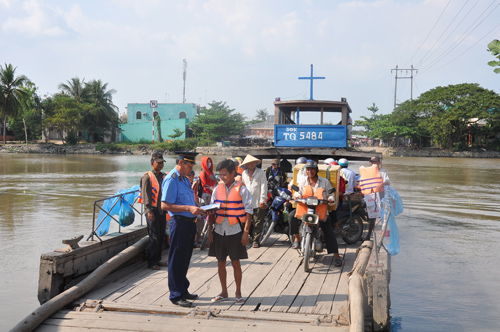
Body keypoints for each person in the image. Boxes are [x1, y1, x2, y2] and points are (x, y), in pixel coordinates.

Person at [161, 151, 207, 308]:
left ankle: (183, 289)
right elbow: (164, 205)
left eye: (192, 166)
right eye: (189, 165)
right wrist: (188, 207)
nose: (190, 169)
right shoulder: (171, 179)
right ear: (180, 162)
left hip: (189, 222)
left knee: (186, 258)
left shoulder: (185, 180)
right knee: (176, 259)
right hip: (179, 223)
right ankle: (175, 294)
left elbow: (188, 201)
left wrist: (198, 208)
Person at [207, 159, 253, 304]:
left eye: (225, 174)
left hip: (235, 230)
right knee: (220, 262)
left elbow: (249, 212)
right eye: (220, 175)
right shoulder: (217, 189)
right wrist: (210, 230)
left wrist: (246, 232)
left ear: (233, 173)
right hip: (219, 230)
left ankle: (238, 292)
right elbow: (212, 212)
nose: (222, 178)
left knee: (235, 262)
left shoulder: (243, 189)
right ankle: (224, 292)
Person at [289, 160, 343, 267]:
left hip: (320, 209)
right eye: (308, 169)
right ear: (306, 171)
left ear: (316, 170)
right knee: (291, 216)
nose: (310, 171)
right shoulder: (303, 181)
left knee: (328, 231)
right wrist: (296, 196)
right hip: (305, 207)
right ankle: (297, 238)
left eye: (312, 169)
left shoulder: (324, 182)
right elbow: (298, 192)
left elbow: (330, 194)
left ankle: (337, 256)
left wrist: (331, 199)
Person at [140, 152, 167, 270]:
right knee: (154, 236)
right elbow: (145, 195)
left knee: (161, 236)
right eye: (158, 163)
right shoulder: (147, 177)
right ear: (152, 163)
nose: (160, 165)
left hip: (161, 211)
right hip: (152, 211)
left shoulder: (163, 176)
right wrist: (148, 210)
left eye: (162, 163)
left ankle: (158, 259)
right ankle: (152, 262)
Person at [240, 154, 268, 248]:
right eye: (250, 163)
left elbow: (264, 186)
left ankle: (256, 240)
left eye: (253, 162)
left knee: (258, 221)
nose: (252, 164)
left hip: (257, 201)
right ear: (246, 164)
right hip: (246, 202)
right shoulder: (244, 173)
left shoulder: (261, 172)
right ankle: (249, 237)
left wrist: (263, 200)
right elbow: (242, 186)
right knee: (247, 221)